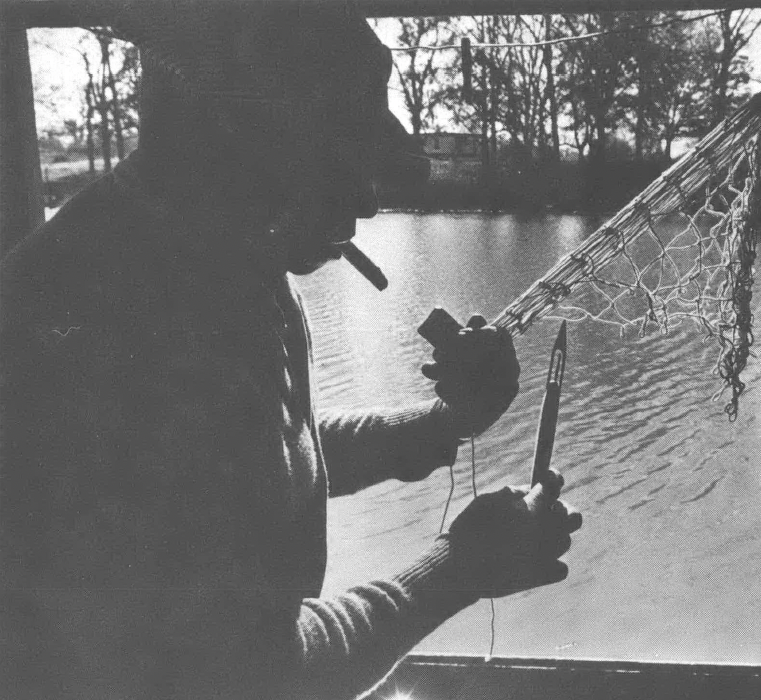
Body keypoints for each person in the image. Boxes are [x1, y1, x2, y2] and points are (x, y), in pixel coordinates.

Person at [0, 5, 582, 699]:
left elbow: (256, 463)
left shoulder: (232, 260)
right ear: (244, 148)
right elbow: (250, 671)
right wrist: (460, 569)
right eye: (342, 167)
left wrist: (442, 425)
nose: (369, 201)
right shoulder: (105, 309)